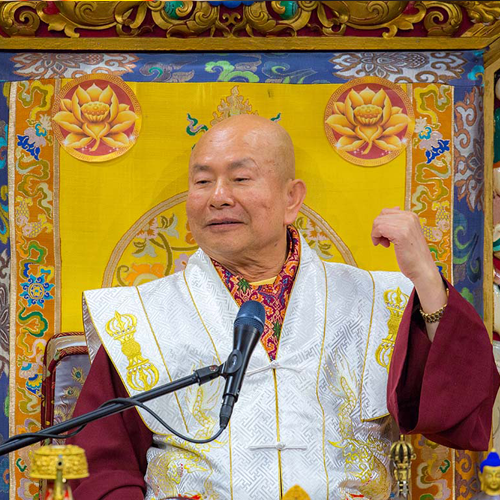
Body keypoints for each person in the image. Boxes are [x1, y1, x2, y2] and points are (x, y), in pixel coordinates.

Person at [69, 115, 499, 500]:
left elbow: (462, 411)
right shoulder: (140, 317)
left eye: (240, 178)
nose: (218, 197)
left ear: (292, 199)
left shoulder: (373, 301)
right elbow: (99, 459)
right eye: (201, 182)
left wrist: (426, 278)